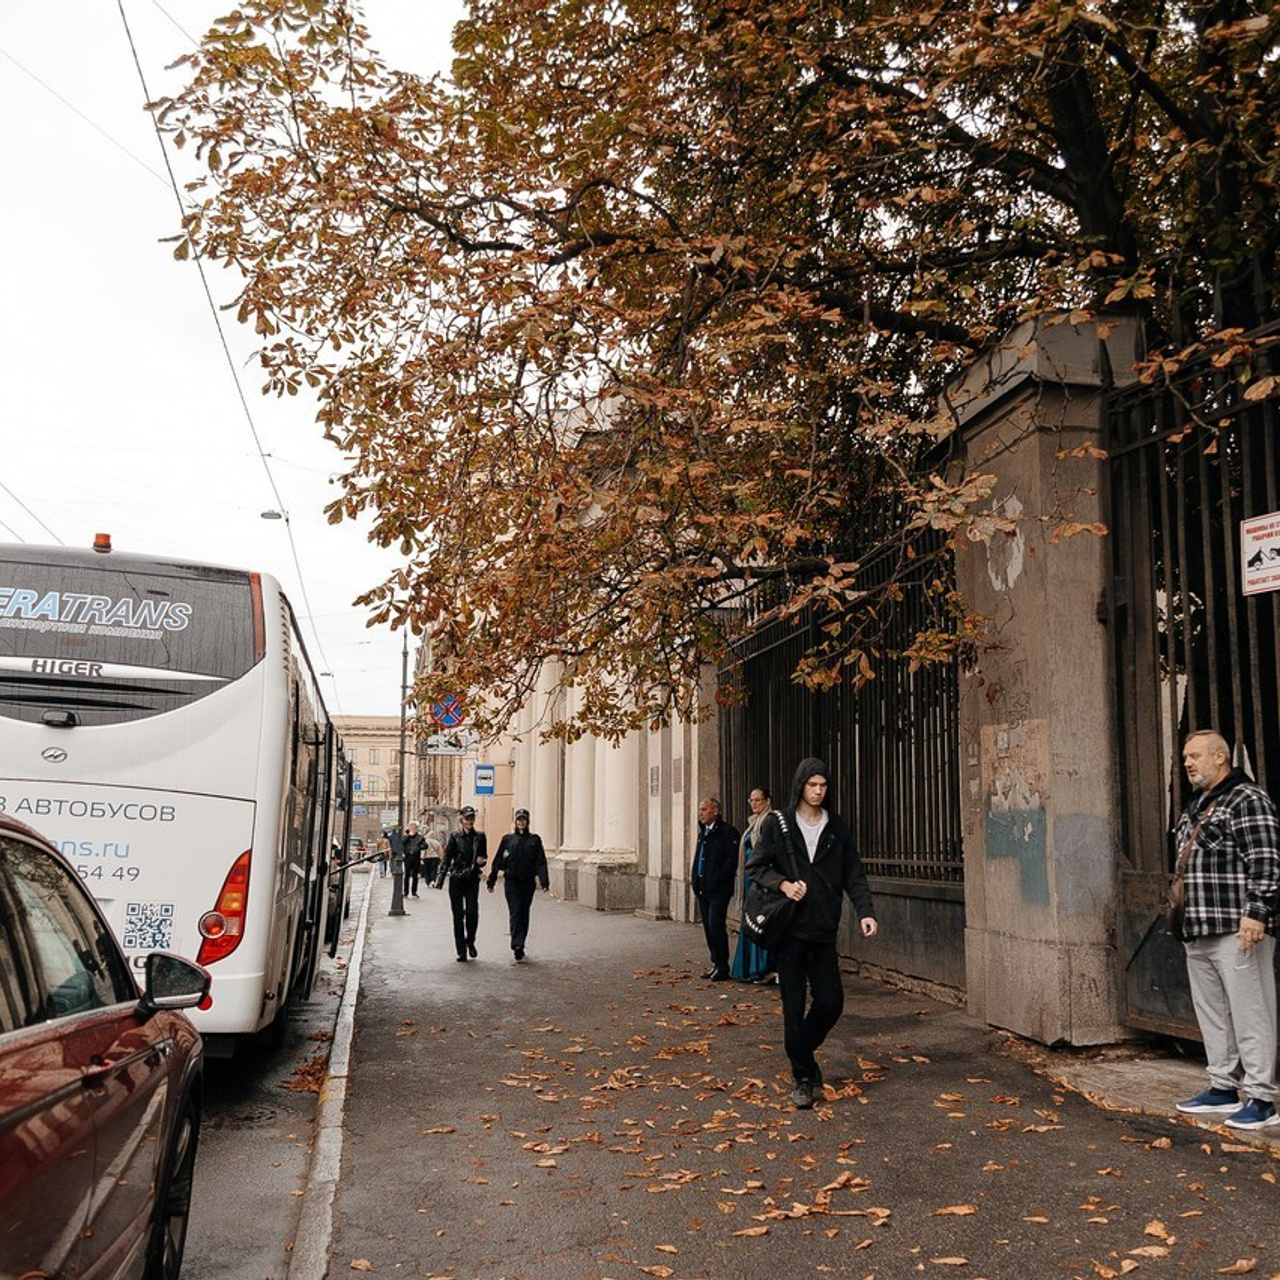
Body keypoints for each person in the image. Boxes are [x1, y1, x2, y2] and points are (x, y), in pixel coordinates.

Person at [748, 757, 878, 1109]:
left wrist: (865, 913)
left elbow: (854, 872)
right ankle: (803, 1078)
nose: (819, 791)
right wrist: (785, 884)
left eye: (823, 786)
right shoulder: (780, 824)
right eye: (812, 785)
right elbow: (756, 867)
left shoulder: (835, 826)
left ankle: (800, 1049)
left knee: (831, 1001)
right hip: (790, 930)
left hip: (823, 929)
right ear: (800, 786)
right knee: (793, 1006)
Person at [1171, 730, 1279, 1130]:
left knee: (1252, 1011)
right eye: (1185, 757)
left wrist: (1257, 913)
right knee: (1212, 1011)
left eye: (1196, 756)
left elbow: (1266, 860)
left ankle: (1262, 1097)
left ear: (1221, 758)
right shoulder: (1198, 804)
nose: (1188, 763)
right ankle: (1221, 1085)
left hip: (1238, 927)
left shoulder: (1247, 799)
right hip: (1198, 926)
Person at [486, 808, 550, 962]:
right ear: (515, 821)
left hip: (527, 882)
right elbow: (498, 860)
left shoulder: (534, 840)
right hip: (511, 882)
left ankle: (522, 941)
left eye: (524, 820)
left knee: (524, 912)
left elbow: (540, 862)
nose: (521, 822)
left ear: (528, 822)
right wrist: (492, 880)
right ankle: (517, 944)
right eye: (519, 820)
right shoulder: (507, 839)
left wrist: (544, 881)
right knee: (515, 912)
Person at [691, 796, 741, 982]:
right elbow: (699, 857)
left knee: (716, 925)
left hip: (718, 890)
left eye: (704, 810)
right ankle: (716, 963)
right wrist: (694, 880)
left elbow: (730, 862)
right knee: (708, 928)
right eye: (700, 810)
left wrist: (719, 879)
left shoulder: (728, 833)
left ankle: (722, 965)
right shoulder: (703, 831)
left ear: (715, 811)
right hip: (702, 887)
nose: (700, 813)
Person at [731, 785, 775, 983]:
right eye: (751, 800)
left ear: (767, 801)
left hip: (761, 880)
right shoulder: (753, 823)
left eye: (758, 800)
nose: (753, 803)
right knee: (749, 919)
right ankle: (750, 968)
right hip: (750, 878)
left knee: (759, 920)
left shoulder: (769, 821)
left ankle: (762, 967)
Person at [436, 806, 488, 961]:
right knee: (458, 916)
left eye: (471, 818)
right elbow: (447, 858)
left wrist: (481, 861)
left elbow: (483, 856)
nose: (469, 822)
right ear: (461, 821)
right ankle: (461, 951)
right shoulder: (455, 836)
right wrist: (440, 878)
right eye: (467, 819)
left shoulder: (480, 837)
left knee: (472, 913)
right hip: (457, 879)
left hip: (472, 879)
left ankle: (470, 942)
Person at [402, 821, 427, 898]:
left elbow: (425, 846)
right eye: (411, 827)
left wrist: (418, 847)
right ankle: (406, 892)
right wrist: (408, 836)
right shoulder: (406, 837)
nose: (412, 829)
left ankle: (414, 892)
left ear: (416, 829)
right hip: (408, 857)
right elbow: (402, 844)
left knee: (415, 876)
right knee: (407, 875)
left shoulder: (420, 837)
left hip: (416, 858)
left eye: (414, 827)